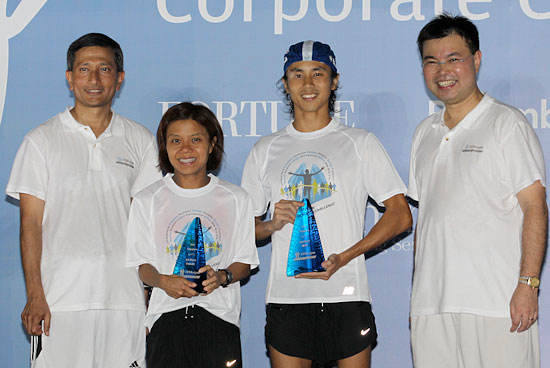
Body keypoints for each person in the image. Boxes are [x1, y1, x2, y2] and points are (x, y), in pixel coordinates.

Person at [241, 40, 412, 367]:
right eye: (297, 74)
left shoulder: (359, 142)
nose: (307, 84)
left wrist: (345, 257)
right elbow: (246, 232)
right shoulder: (265, 149)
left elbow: (401, 216)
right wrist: (271, 224)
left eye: (318, 73)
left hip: (346, 297)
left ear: (334, 81)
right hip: (286, 299)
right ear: (285, 83)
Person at [6, 33, 161, 368]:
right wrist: (35, 294)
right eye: (84, 69)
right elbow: (30, 224)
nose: (94, 79)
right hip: (60, 301)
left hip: (125, 300)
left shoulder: (140, 140)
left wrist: (150, 293)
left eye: (104, 69)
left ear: (119, 79)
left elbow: (149, 223)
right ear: (69, 78)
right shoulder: (41, 140)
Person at [408, 14, 547, 368]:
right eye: (432, 61)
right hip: (432, 308)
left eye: (453, 59)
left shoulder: (506, 123)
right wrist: (417, 299)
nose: (443, 71)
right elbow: (427, 220)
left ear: (477, 60)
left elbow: (534, 206)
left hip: (496, 304)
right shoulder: (424, 133)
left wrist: (528, 285)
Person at [126, 102, 259, 368]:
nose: (185, 149)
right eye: (176, 140)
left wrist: (222, 277)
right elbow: (142, 267)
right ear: (165, 146)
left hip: (219, 320)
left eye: (195, 139)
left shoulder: (236, 198)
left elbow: (245, 261)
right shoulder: (146, 199)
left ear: (212, 144)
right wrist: (164, 281)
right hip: (165, 321)